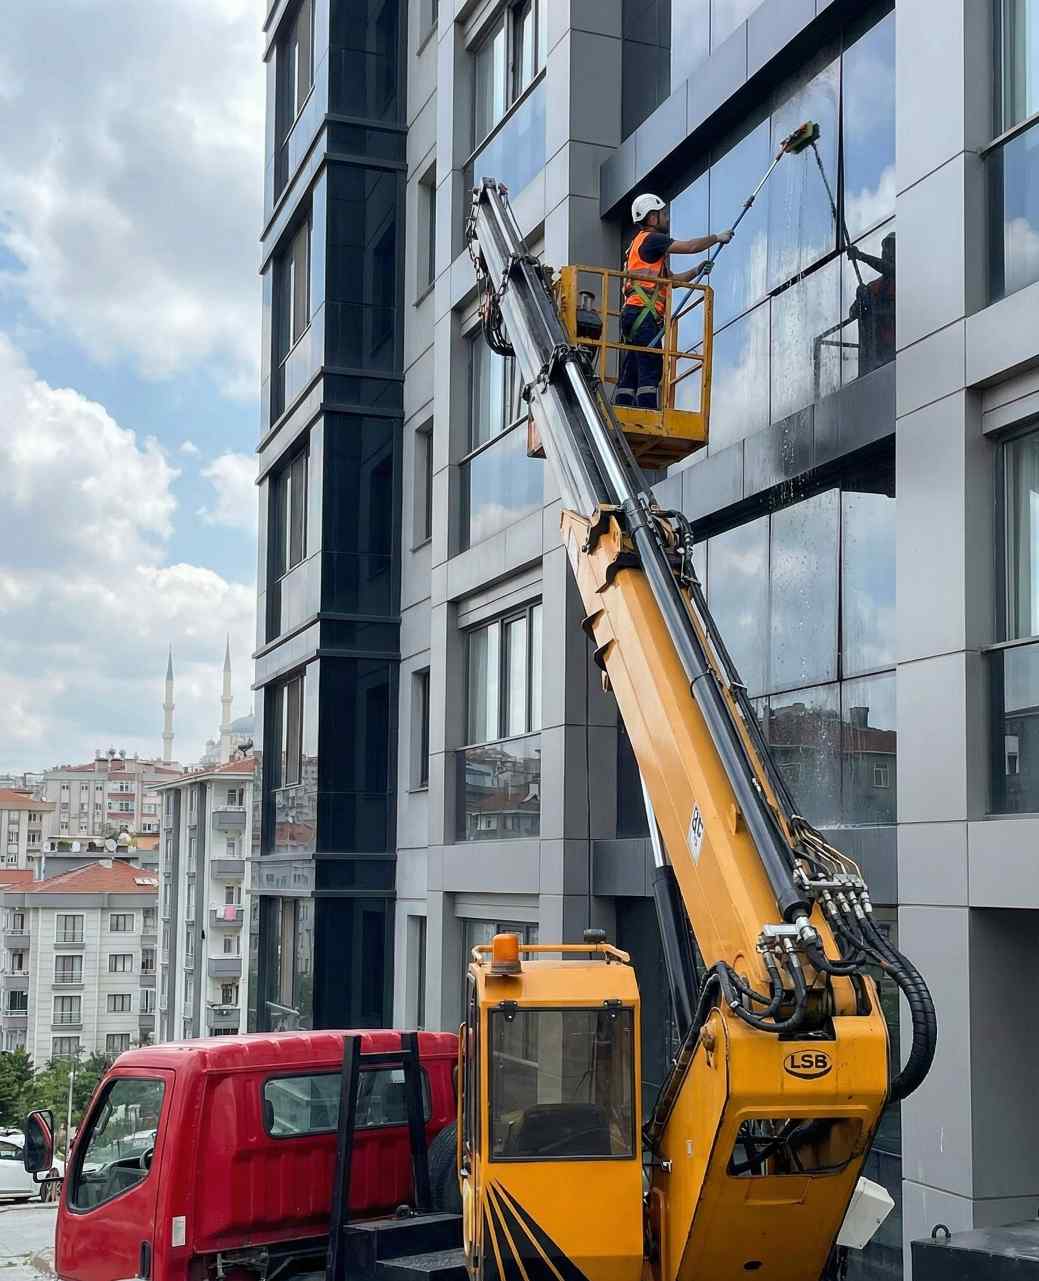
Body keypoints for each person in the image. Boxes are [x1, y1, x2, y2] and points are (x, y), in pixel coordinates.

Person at [615, 193, 733, 409]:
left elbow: (670, 281)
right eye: (662, 214)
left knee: (632, 369)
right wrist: (716, 237)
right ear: (652, 218)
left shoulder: (637, 246)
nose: (666, 218)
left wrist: (696, 270)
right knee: (651, 367)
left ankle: (621, 411)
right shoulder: (652, 239)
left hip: (633, 315)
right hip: (643, 316)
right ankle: (647, 415)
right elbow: (688, 247)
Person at [848, 232, 895, 377]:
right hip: (876, 351)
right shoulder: (873, 287)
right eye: (884, 249)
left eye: (890, 248)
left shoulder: (906, 278)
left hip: (896, 349)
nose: (885, 252)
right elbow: (853, 313)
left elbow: (890, 269)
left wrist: (861, 256)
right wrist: (861, 297)